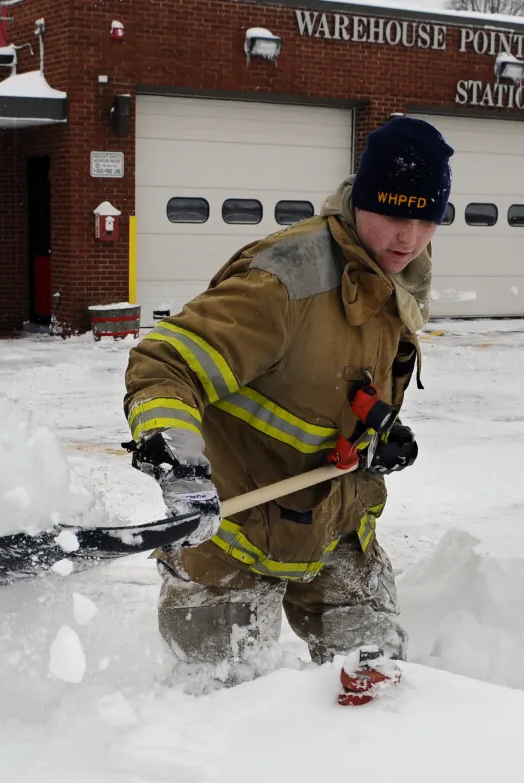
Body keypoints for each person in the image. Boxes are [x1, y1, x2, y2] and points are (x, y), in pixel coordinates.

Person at [123, 116, 452, 694]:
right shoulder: (286, 283)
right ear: (359, 202)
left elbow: (331, 388)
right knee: (217, 708)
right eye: (396, 214)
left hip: (335, 527)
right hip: (229, 535)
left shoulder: (393, 280)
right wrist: (178, 462)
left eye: (427, 218)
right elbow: (165, 363)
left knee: (380, 689)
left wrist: (379, 433)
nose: (410, 237)